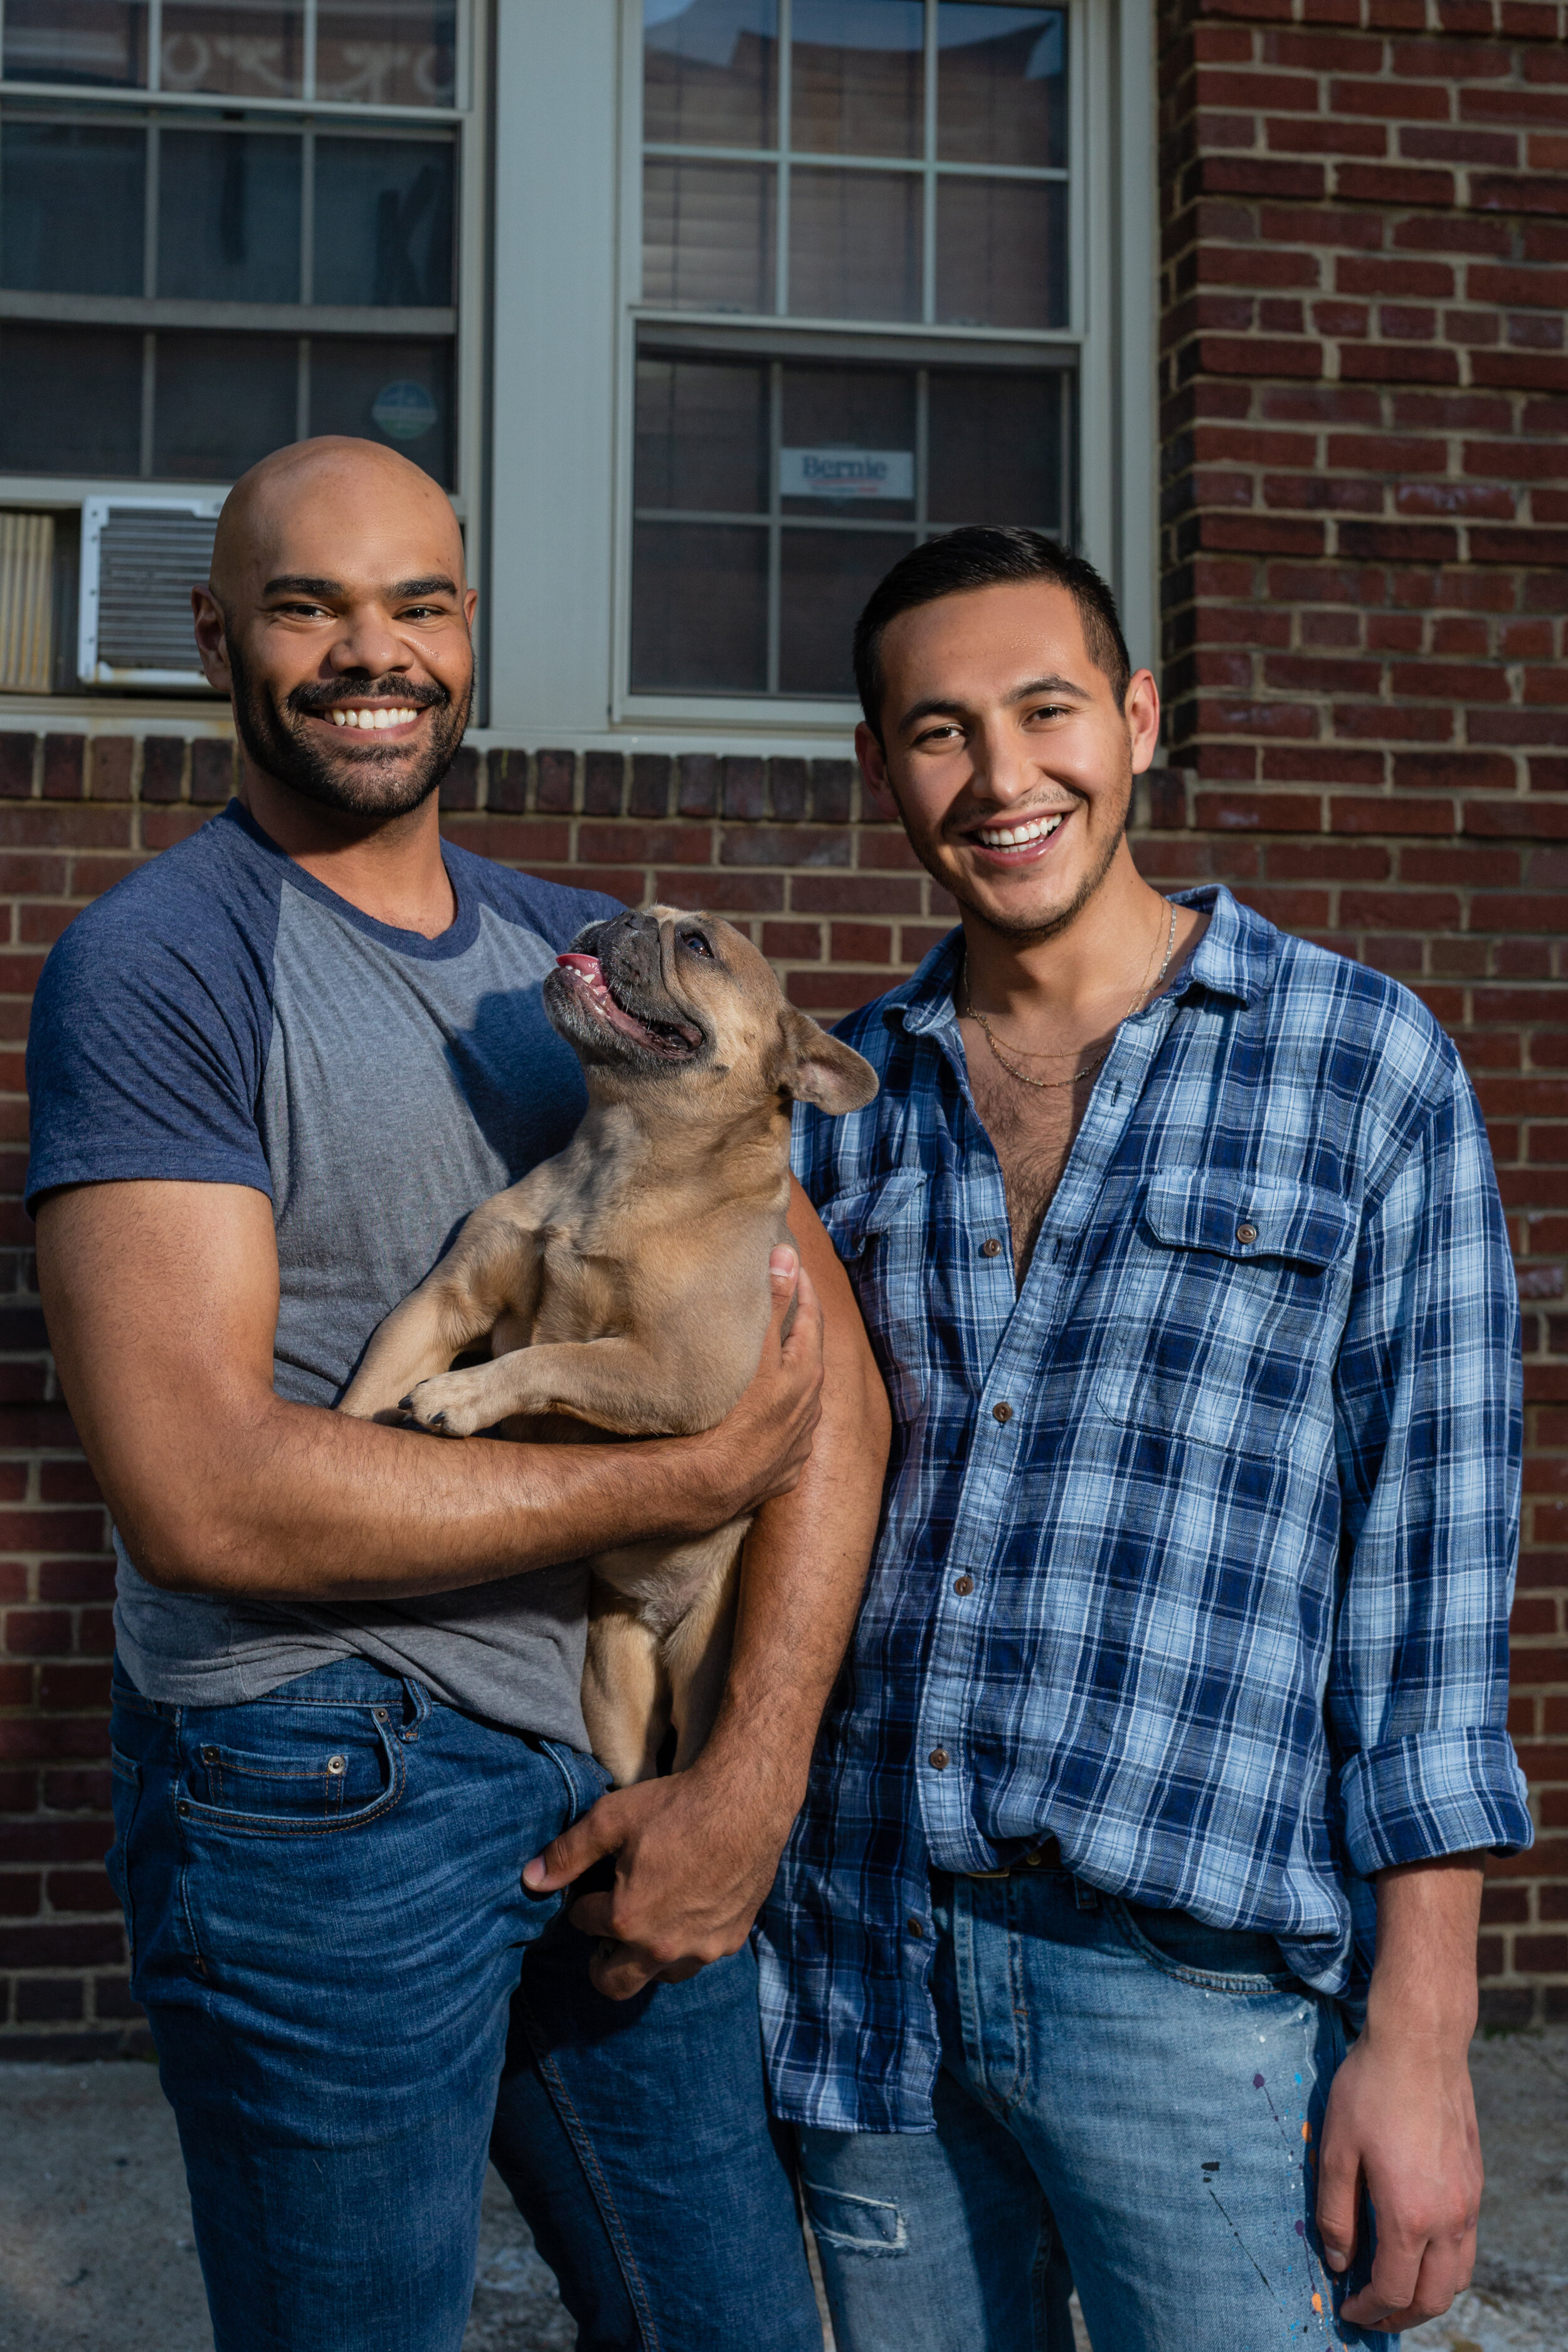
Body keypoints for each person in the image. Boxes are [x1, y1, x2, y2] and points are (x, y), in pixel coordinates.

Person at [27, 436, 889, 2352]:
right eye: (309, 604)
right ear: (215, 636)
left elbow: (819, 1391)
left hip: (606, 1772)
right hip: (314, 1789)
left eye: (416, 602)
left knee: (733, 2324)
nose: (370, 651)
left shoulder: (576, 967)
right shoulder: (159, 969)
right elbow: (201, 1497)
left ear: (468, 632)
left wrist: (745, 1778)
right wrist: (679, 1478)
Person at [755, 526, 1531, 2352]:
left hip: (1197, 1997)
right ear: (880, 771)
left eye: (1044, 710)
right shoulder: (833, 1117)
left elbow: (1429, 1602)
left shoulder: (1363, 1066)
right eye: (938, 732)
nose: (1002, 777)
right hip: (865, 1966)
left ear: (1137, 716)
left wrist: (1418, 2050)